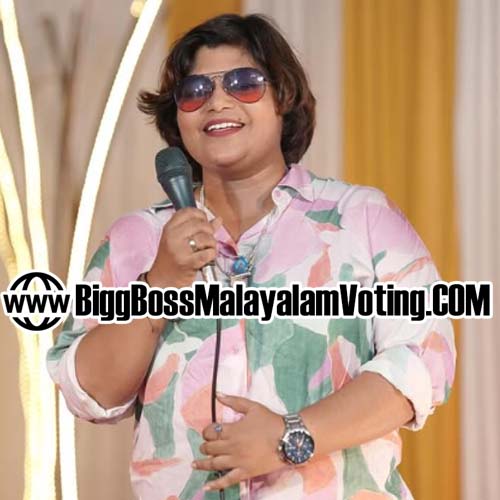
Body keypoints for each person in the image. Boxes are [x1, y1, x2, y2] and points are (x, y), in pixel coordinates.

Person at [47, 13, 456, 500]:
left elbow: (422, 362)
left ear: (283, 97)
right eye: (195, 91)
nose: (217, 101)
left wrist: (291, 436)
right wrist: (159, 284)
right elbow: (89, 392)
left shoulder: (361, 217)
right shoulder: (137, 238)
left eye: (243, 83)